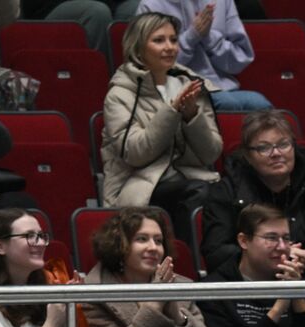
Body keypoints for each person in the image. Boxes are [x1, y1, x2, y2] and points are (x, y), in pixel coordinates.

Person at [100, 12, 222, 244]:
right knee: (198, 193)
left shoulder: (191, 84)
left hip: (187, 177)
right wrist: (171, 111)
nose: (169, 47)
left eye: (173, 40)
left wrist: (191, 116)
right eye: (159, 40)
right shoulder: (120, 93)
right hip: (138, 183)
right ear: (138, 47)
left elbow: (211, 153)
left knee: (227, 194)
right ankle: (189, 261)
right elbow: (135, 154)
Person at [201, 109, 305, 280]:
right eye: (264, 148)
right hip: (251, 287)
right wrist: (272, 257)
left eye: (283, 144)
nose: (276, 153)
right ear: (248, 155)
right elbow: (215, 253)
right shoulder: (227, 190)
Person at [199, 202, 305, 327]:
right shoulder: (213, 290)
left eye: (286, 238)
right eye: (271, 238)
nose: (282, 246)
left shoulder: (295, 280)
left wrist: (297, 298)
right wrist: (278, 309)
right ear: (244, 241)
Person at [82, 205, 211, 327]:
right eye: (142, 239)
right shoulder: (93, 293)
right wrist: (155, 304)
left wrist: (178, 317)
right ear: (119, 244)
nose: (153, 248)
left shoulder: (180, 286)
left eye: (158, 241)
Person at [135, 0, 272, 111]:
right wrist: (191, 37)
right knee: (228, 104)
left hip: (222, 87)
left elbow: (240, 59)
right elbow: (152, 65)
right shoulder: (151, 5)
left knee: (261, 104)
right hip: (175, 89)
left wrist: (209, 38)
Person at [0, 208, 69, 327]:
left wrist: (70, 311)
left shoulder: (47, 287)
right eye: (29, 236)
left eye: (41, 235)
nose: (40, 243)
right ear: (0, 246)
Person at [18, 1, 140, 58]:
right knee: (96, 12)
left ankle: (135, 85)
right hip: (49, 8)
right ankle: (96, 79)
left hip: (108, 4)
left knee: (137, 7)